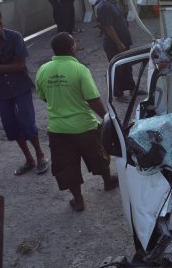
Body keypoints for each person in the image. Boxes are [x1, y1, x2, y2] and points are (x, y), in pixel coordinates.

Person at [35, 33, 118, 212]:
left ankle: (79, 200)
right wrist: (106, 118)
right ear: (72, 47)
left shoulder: (43, 69)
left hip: (57, 129)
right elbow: (93, 99)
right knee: (99, 155)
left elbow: (43, 96)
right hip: (84, 126)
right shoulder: (79, 69)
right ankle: (108, 181)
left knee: (66, 166)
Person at [0, 6, 48, 176]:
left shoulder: (15, 37)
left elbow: (20, 65)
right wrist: (9, 66)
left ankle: (40, 155)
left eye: (0, 24)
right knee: (11, 126)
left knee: (27, 123)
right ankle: (29, 159)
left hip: (21, 86)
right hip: (2, 91)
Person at [95, 0, 138, 103]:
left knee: (127, 65)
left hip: (123, 39)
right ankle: (118, 93)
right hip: (113, 43)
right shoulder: (104, 6)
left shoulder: (112, 2)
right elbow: (108, 27)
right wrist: (118, 43)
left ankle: (131, 88)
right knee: (118, 67)